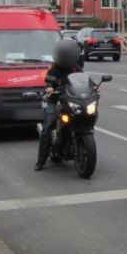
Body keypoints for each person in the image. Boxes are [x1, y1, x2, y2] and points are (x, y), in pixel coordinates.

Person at [35, 38, 83, 171]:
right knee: (48, 127)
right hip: (55, 99)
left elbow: (84, 79)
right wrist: (50, 87)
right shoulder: (54, 68)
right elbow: (49, 80)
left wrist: (93, 86)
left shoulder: (75, 67)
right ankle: (41, 160)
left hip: (71, 99)